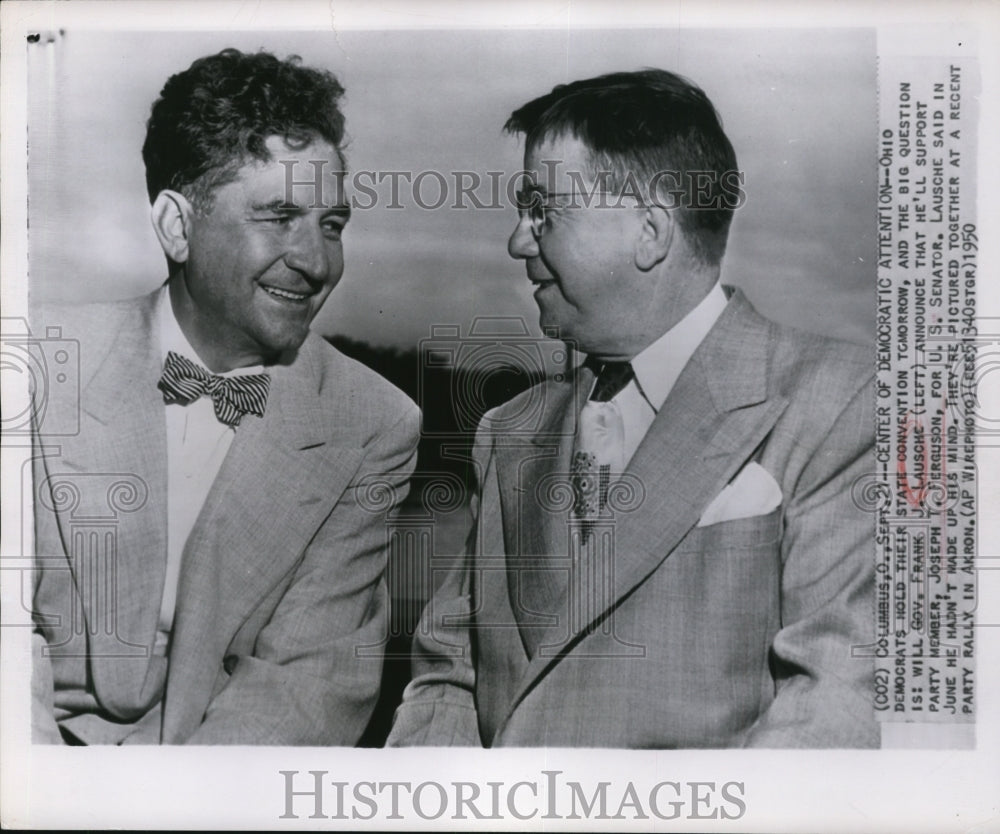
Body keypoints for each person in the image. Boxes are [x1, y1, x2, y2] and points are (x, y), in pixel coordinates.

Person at [387, 69, 877, 748]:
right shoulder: (507, 431)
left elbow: (835, 708)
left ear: (649, 231)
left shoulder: (845, 403)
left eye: (542, 211)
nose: (518, 242)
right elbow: (448, 678)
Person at [31, 48, 420, 745]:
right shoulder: (36, 365)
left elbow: (304, 688)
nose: (319, 262)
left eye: (332, 224)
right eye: (278, 217)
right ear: (177, 226)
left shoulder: (374, 424)